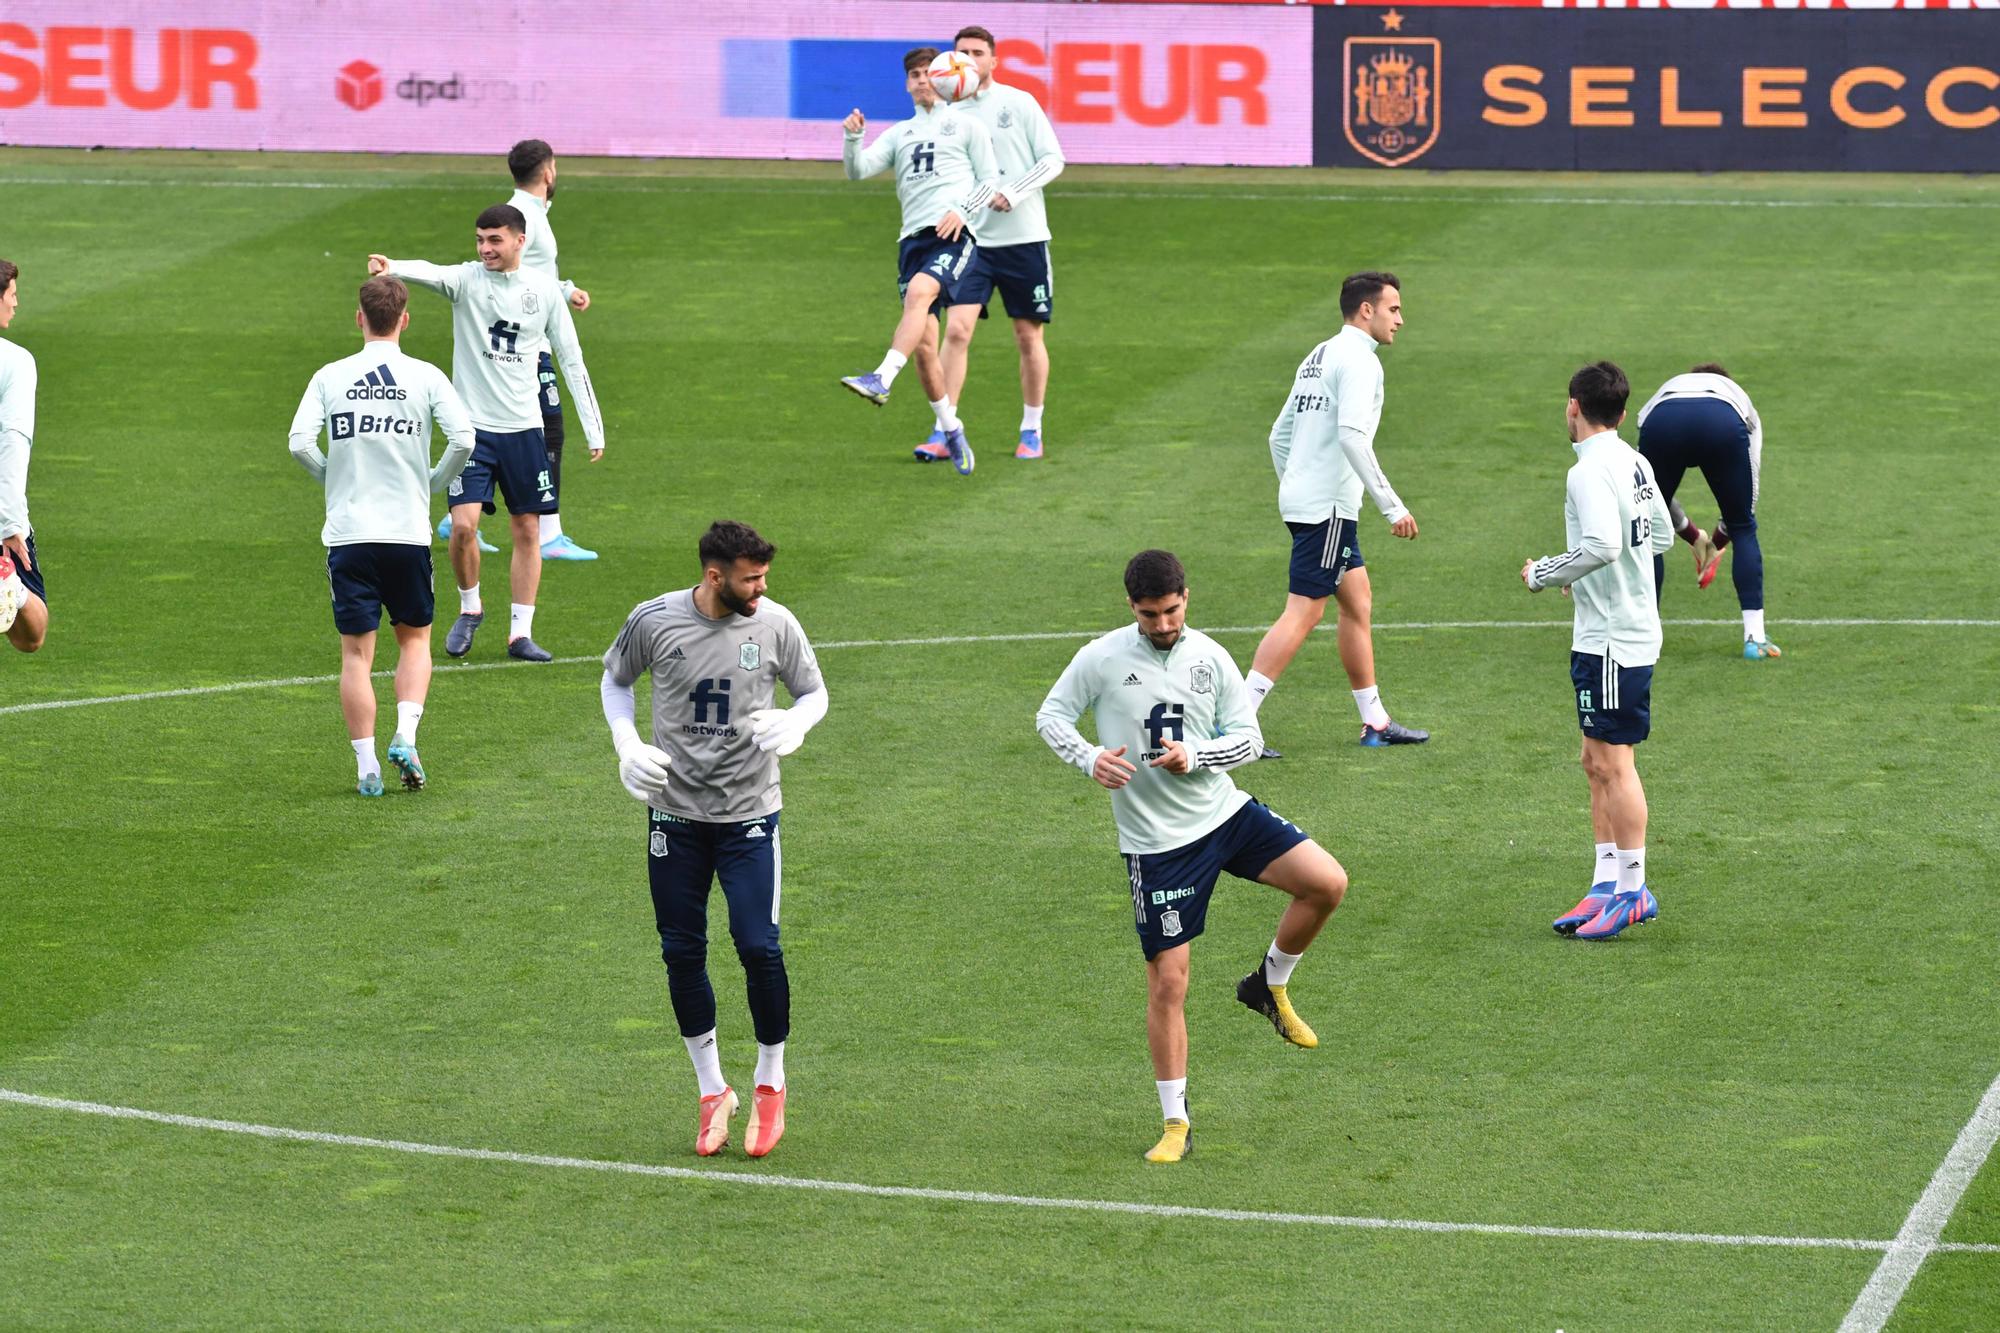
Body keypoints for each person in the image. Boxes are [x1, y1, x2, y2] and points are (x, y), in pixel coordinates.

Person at [1036, 549, 1349, 1163]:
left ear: (1187, 597)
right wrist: (1088, 757)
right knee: (1169, 985)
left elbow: (1250, 740)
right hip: (1157, 848)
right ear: (1132, 606)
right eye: (1149, 615)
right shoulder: (1099, 658)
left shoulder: (1209, 656)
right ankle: (1176, 1122)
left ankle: (1268, 984)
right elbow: (1050, 715)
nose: (1162, 625)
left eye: (1171, 611)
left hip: (1225, 816)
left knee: (1326, 883)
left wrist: (1196, 756)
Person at [600, 521, 829, 1159]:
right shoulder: (654, 620)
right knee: (681, 952)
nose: (760, 588)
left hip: (749, 815)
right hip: (673, 813)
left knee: (758, 945)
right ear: (714, 576)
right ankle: (711, 1091)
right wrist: (626, 744)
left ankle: (769, 1082)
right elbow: (615, 680)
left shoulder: (775, 623)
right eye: (750, 578)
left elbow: (814, 691)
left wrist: (797, 721)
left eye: (763, 577)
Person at [369, 203, 605, 662]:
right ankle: (470, 607)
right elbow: (431, 272)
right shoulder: (467, 280)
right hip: (472, 430)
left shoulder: (543, 291)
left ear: (520, 241)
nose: (485, 249)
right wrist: (392, 266)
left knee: (527, 530)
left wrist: (593, 427)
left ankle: (520, 634)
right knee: (463, 528)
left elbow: (571, 358)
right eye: (480, 240)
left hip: (524, 430)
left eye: (494, 240)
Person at [288, 277, 475, 795]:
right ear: (405, 319)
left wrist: (334, 477)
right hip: (407, 533)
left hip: (349, 534)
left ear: (359, 318)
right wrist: (432, 482)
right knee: (414, 640)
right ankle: (407, 735)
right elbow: (463, 438)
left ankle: (366, 767)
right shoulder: (426, 376)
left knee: (355, 655)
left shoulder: (330, 375)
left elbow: (300, 442)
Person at [1521, 361, 1675, 940]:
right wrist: (1583, 572)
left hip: (1614, 639)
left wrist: (1547, 572)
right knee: (1594, 762)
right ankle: (1605, 884)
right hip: (1614, 631)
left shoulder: (1586, 472)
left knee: (1614, 763)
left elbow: (1604, 544)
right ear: (1622, 412)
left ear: (1573, 406)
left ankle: (1634, 890)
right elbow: (1657, 535)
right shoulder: (1633, 461)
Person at [1245, 271, 1426, 757]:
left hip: (1310, 501)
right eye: (1393, 309)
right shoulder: (1361, 362)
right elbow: (1352, 435)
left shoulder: (1318, 354)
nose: (1400, 320)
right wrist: (1393, 506)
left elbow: (1277, 437)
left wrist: (1296, 483)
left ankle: (1374, 721)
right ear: (1366, 310)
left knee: (1357, 600)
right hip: (1326, 507)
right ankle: (1237, 724)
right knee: (1304, 611)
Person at [836, 46, 998, 477]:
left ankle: (881, 379)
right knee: (926, 348)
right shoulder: (900, 133)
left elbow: (990, 181)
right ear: (907, 84)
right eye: (914, 75)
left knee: (924, 292)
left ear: (944, 79)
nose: (922, 80)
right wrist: (853, 139)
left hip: (953, 234)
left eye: (928, 73)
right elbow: (858, 171)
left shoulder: (966, 125)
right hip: (911, 242)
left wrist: (962, 211)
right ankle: (951, 427)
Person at [910, 25, 1064, 464]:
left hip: (1023, 238)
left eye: (977, 53)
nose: (969, 60)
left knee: (1026, 335)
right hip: (970, 241)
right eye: (961, 53)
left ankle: (1031, 429)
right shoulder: (944, 115)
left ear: (993, 61)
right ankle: (945, 430)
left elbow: (1053, 159)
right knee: (957, 331)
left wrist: (1012, 192)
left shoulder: (1018, 102)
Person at [1635, 363, 1778, 660]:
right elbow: (1744, 506)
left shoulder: (1663, 393)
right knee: (1744, 528)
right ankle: (1755, 638)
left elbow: (1649, 498)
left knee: (1647, 522)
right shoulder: (1738, 400)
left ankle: (1645, 637)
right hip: (1721, 423)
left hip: (1662, 420)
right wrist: (1717, 542)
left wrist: (1693, 536)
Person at [0, 258, 48, 653]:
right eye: (12, 295)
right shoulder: (15, 361)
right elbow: (15, 439)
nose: (16, 304)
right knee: (31, 635)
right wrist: (10, 521)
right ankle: (8, 584)